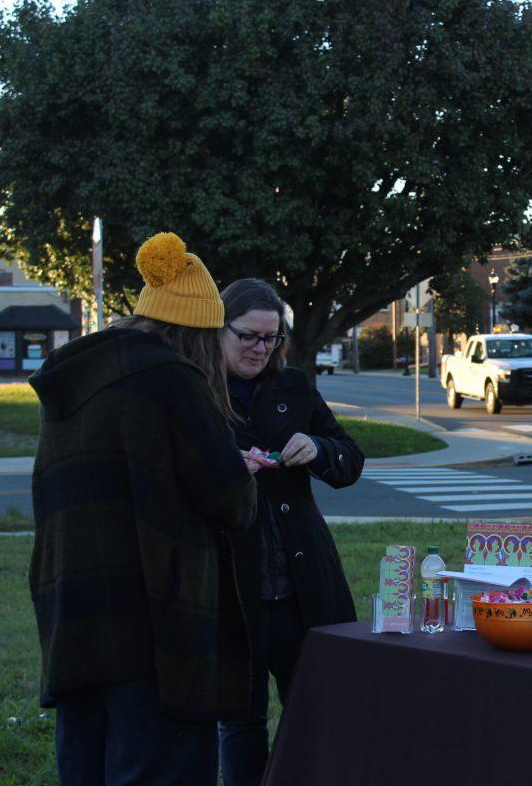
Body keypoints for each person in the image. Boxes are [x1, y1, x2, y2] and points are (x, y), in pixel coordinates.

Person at [29, 232, 257, 785]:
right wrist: (240, 469)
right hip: (155, 627)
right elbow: (230, 497)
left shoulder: (75, 375)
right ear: (197, 333)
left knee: (86, 766)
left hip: (74, 621)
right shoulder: (169, 379)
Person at [215, 278, 364, 786]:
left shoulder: (294, 386)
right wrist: (223, 467)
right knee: (240, 719)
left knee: (317, 711)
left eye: (272, 338)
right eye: (249, 337)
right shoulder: (197, 392)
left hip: (303, 582)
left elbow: (350, 459)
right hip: (234, 589)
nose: (261, 348)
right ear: (220, 329)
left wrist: (319, 451)